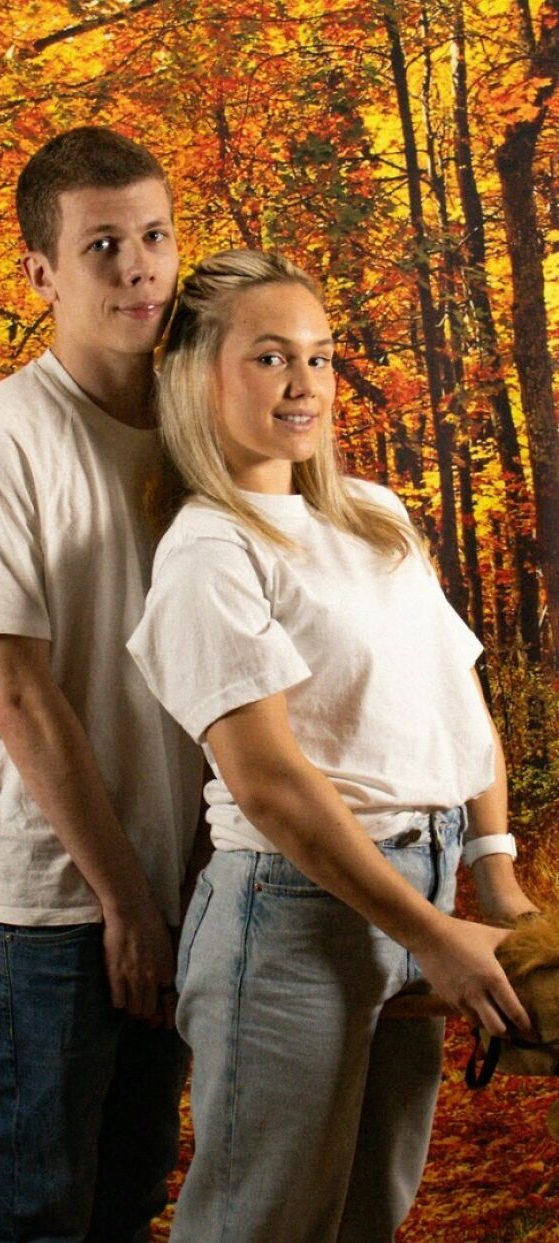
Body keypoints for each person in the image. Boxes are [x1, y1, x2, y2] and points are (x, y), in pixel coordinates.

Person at [127, 249, 538, 1242]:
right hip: (292, 911)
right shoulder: (208, 551)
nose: (305, 381)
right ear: (196, 374)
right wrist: (434, 934)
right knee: (259, 1222)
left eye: (318, 355)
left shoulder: (376, 520)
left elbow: (457, 704)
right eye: (269, 357)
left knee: (367, 1210)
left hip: (422, 887)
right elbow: (266, 783)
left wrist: (498, 883)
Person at [0, 126, 204, 1243]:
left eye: (154, 236)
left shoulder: (195, 432)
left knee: (130, 1190)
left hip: (171, 870)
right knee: (40, 1197)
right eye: (102, 245)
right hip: (48, 900)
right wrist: (124, 904)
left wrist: (182, 879)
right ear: (41, 273)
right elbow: (20, 698)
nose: (137, 266)